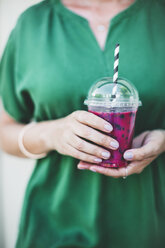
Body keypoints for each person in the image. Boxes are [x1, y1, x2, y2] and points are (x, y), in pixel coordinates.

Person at [0, 0, 165, 247]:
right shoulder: (32, 25)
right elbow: (5, 131)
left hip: (148, 222)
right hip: (53, 224)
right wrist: (51, 134)